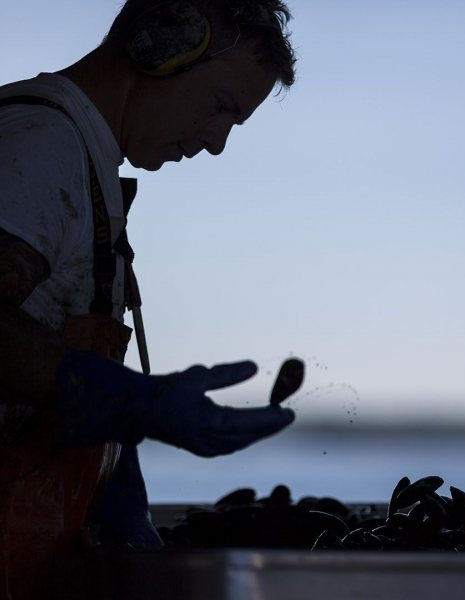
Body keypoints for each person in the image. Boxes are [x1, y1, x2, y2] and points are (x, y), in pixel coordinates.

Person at [0, 0, 297, 596]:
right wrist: (134, 402)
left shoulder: (85, 160)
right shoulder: (41, 146)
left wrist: (113, 477)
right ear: (163, 48)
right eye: (221, 108)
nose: (215, 144)